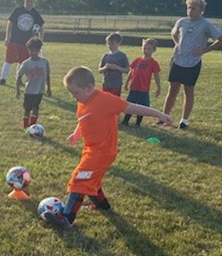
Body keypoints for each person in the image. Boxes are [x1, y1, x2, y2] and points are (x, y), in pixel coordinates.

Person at [47, 66, 172, 228]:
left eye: (76, 93)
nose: (74, 97)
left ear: (89, 88)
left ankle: (67, 218)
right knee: (92, 180)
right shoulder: (83, 100)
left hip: (102, 152)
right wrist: (76, 134)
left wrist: (159, 114)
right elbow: (84, 119)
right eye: (71, 94)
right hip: (91, 149)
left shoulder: (105, 99)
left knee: (80, 179)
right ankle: (103, 205)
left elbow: (131, 107)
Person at [162, 0, 222, 129]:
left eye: (194, 8)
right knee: (172, 90)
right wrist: (176, 44)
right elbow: (173, 33)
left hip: (193, 62)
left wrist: (205, 49)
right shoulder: (181, 22)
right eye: (188, 7)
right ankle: (164, 117)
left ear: (201, 10)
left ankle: (184, 121)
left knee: (188, 91)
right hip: (177, 60)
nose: (190, 10)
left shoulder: (206, 24)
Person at [0, 0, 44, 87]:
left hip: (27, 43)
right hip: (14, 40)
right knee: (9, 60)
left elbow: (42, 27)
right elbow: (10, 23)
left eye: (31, 1)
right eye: (27, 1)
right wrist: (7, 36)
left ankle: (18, 81)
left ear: (34, 2)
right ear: (24, 1)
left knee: (22, 62)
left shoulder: (35, 14)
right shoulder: (18, 10)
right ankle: (2, 80)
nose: (29, 3)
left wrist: (40, 40)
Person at [121, 38, 163, 127]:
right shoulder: (137, 60)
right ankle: (125, 121)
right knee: (130, 104)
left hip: (143, 88)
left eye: (149, 49)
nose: (146, 51)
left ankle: (138, 123)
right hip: (134, 87)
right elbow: (131, 72)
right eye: (144, 48)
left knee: (141, 106)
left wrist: (158, 87)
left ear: (153, 50)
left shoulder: (153, 63)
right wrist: (127, 82)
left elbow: (156, 76)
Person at [15, 38, 53, 129]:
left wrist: (49, 88)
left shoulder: (44, 62)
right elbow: (19, 76)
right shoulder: (26, 63)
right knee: (27, 109)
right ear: (28, 50)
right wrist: (18, 90)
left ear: (39, 50)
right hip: (29, 91)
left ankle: (32, 126)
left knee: (36, 107)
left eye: (36, 50)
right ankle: (25, 126)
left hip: (39, 90)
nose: (33, 52)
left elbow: (47, 75)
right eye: (31, 50)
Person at [98, 32, 130, 97]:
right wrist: (105, 67)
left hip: (116, 84)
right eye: (108, 44)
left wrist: (117, 68)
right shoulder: (105, 56)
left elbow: (127, 70)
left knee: (114, 101)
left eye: (112, 43)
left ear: (118, 43)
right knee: (105, 100)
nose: (110, 46)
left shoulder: (122, 56)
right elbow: (99, 70)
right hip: (106, 83)